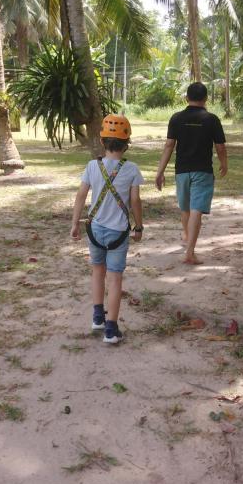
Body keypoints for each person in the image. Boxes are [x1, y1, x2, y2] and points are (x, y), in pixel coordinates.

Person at [71, 114, 144, 344]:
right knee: (115, 279)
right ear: (127, 143)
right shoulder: (132, 169)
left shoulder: (93, 166)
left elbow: (81, 195)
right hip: (119, 232)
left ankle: (97, 317)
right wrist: (139, 226)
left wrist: (75, 223)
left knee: (97, 272)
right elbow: (135, 201)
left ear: (102, 141)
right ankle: (111, 329)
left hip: (94, 229)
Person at [155, 82, 227, 264]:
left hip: (181, 171)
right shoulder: (212, 119)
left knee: (186, 208)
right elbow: (220, 147)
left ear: (187, 98)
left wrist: (160, 171)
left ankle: (187, 237)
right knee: (196, 210)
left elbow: (169, 146)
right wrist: (224, 163)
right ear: (206, 99)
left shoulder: (176, 118)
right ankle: (189, 252)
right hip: (202, 171)